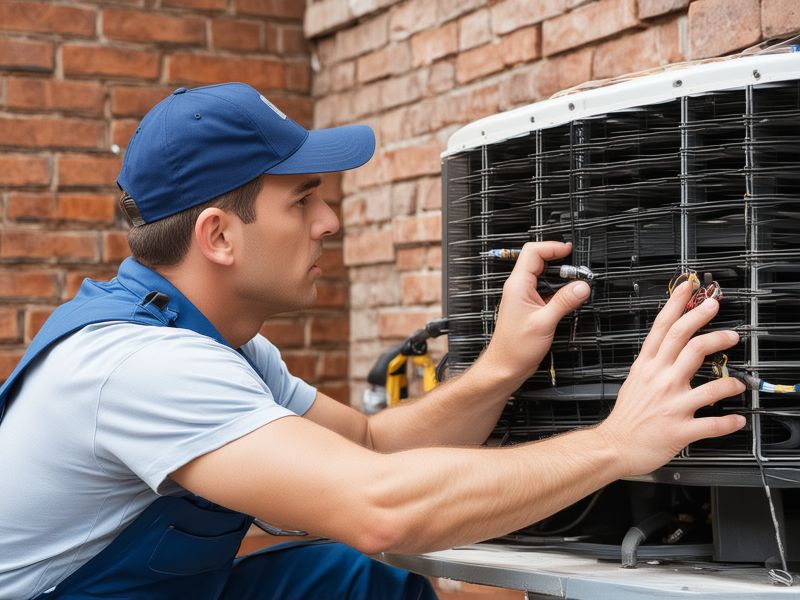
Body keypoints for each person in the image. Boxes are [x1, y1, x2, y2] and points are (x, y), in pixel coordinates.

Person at [0, 83, 746, 600]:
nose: (329, 222)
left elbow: (368, 443)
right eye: (303, 200)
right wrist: (619, 442)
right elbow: (380, 506)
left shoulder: (215, 343)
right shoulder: (143, 366)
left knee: (347, 582)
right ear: (218, 235)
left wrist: (503, 366)